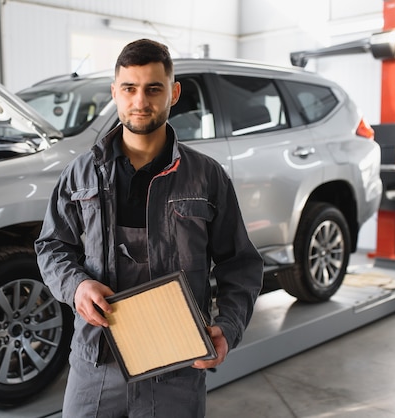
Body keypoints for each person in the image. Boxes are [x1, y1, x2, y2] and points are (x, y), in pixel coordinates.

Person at [35, 38, 263, 417]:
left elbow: (240, 264)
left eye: (153, 88)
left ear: (173, 93)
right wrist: (77, 286)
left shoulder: (207, 178)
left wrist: (229, 325)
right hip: (97, 361)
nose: (140, 101)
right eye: (129, 88)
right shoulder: (81, 173)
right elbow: (51, 247)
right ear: (115, 93)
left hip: (177, 365)